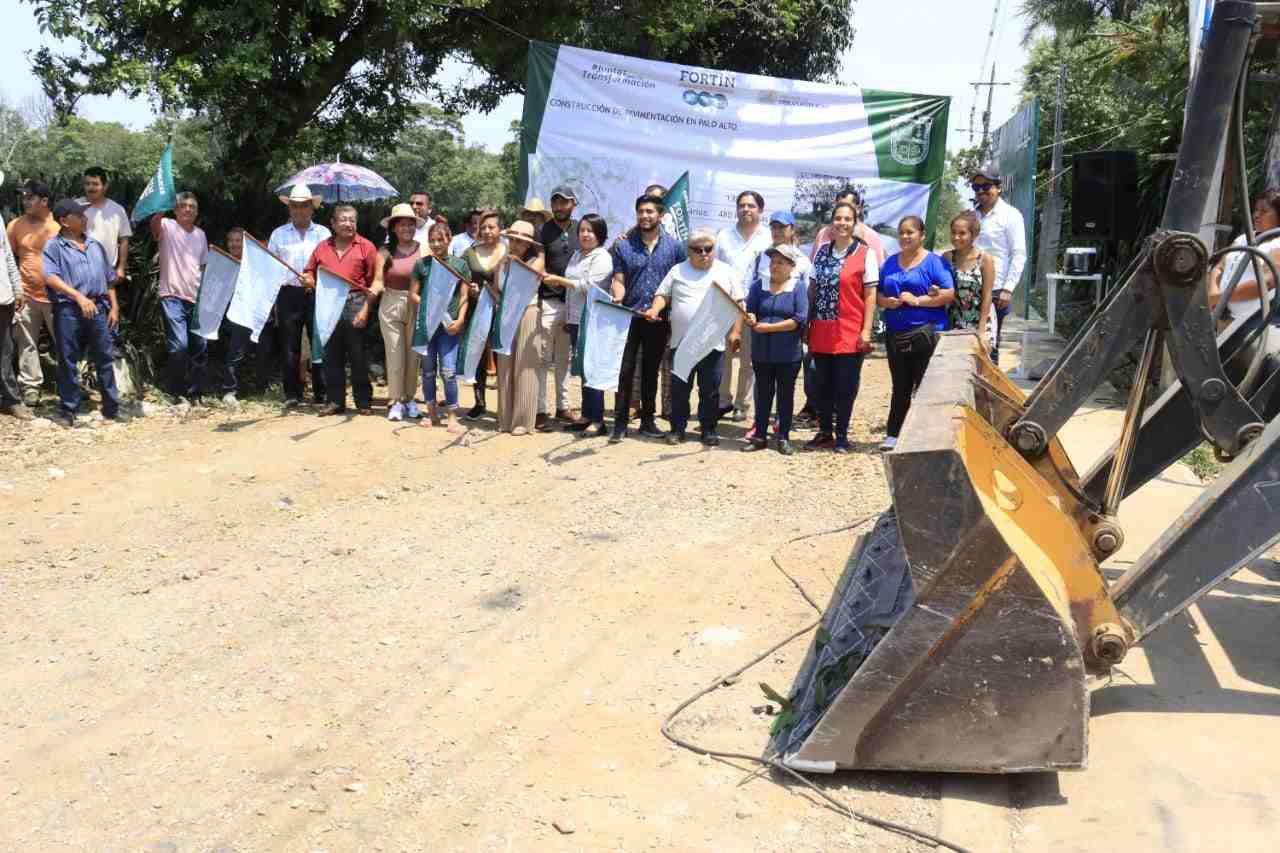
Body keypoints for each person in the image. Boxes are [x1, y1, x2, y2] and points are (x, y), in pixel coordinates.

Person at [646, 228, 742, 446]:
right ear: (688, 251)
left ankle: (708, 429)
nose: (703, 253)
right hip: (681, 343)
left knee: (710, 391)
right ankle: (677, 429)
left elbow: (738, 304)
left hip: (712, 344)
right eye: (698, 249)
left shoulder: (726, 272)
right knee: (679, 390)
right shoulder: (677, 270)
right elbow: (662, 294)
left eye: (708, 249)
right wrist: (655, 309)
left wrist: (736, 332)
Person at [609, 194, 688, 442]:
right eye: (641, 211)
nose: (645, 216)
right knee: (625, 370)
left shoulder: (675, 248)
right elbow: (618, 280)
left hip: (659, 319)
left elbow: (679, 284)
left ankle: (647, 420)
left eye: (650, 211)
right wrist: (617, 297)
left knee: (651, 370)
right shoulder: (623, 246)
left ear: (660, 215)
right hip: (629, 317)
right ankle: (620, 423)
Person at [40, 199, 123, 427]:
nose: (85, 218)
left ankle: (112, 408)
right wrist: (78, 296)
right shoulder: (54, 247)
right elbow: (50, 277)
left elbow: (109, 279)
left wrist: (114, 307)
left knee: (105, 357)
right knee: (68, 360)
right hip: (69, 310)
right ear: (65, 221)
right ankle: (69, 410)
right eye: (80, 214)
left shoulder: (95, 245)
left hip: (98, 308)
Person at [807, 201, 879, 454]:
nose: (842, 223)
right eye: (838, 218)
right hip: (822, 327)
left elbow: (870, 295)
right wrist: (807, 322)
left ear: (854, 222)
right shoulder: (822, 251)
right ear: (831, 222)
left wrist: (866, 330)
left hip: (849, 329)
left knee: (845, 385)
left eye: (847, 219)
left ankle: (841, 435)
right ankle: (824, 431)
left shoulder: (865, 253)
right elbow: (813, 290)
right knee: (821, 384)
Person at [878, 216, 955, 451]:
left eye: (910, 232)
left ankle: (927, 439)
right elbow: (878, 294)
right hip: (896, 335)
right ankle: (894, 434)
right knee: (900, 385)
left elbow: (948, 293)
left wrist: (917, 300)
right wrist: (887, 303)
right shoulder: (890, 263)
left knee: (925, 387)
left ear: (922, 235)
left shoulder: (934, 263)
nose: (905, 237)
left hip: (926, 334)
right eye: (901, 232)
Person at [540, 214, 616, 437]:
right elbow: (573, 286)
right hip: (574, 319)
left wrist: (559, 281)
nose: (584, 234)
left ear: (599, 234)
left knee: (593, 369)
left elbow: (589, 286)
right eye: (582, 230)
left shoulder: (601, 257)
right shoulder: (576, 254)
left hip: (592, 320)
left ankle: (598, 420)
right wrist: (568, 317)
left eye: (590, 230)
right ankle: (587, 415)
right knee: (583, 369)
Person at [302, 204, 380, 415]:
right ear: (333, 224)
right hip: (327, 305)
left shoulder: (366, 247)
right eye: (343, 219)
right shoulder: (322, 247)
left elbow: (374, 283)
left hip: (355, 302)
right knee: (331, 354)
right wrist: (307, 280)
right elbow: (310, 272)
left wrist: (366, 310)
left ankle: (363, 401)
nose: (348, 223)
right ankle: (335, 401)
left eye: (352, 220)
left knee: (359, 355)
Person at [266, 183, 331, 407]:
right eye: (295, 206)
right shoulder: (278, 234)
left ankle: (322, 393)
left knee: (319, 343)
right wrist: (273, 300)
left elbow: (331, 265)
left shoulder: (324, 233)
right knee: (289, 345)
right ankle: (292, 394)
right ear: (289, 208)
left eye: (304, 206)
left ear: (312, 208)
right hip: (288, 294)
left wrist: (314, 279)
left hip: (318, 293)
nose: (299, 210)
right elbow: (271, 269)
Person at [744, 244, 808, 455]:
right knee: (762, 394)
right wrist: (751, 318)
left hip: (788, 354)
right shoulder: (757, 286)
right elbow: (750, 310)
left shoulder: (797, 288)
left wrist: (770, 327)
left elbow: (799, 319)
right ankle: (760, 436)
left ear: (791, 266)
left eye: (781, 262)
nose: (775, 266)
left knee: (785, 396)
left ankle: (783, 437)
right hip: (762, 352)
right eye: (773, 261)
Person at [752, 210, 813, 434]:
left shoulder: (803, 264)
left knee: (786, 391)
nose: (775, 266)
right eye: (774, 226)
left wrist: (802, 332)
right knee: (762, 388)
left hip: (788, 344)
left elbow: (804, 307)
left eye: (782, 227)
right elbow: (752, 304)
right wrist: (751, 317)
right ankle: (759, 429)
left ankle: (782, 430)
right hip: (761, 343)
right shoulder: (760, 261)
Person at [715, 190, 771, 424]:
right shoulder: (724, 236)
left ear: (760, 210)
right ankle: (722, 401)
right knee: (723, 355)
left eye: (751, 205)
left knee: (748, 358)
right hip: (725, 302)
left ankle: (742, 404)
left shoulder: (767, 238)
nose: (746, 209)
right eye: (742, 205)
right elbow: (714, 267)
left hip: (753, 304)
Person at [149, 192, 210, 407]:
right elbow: (154, 226)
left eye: (192, 206)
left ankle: (196, 393)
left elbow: (202, 266)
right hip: (172, 296)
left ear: (196, 211)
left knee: (200, 347)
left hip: (196, 298)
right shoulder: (167, 225)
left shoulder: (201, 235)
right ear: (175, 210)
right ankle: (178, 391)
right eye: (183, 206)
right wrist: (161, 205)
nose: (187, 209)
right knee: (180, 346)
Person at [413, 220, 471, 433]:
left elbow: (465, 295)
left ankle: (453, 416)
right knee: (428, 371)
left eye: (440, 239)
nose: (436, 244)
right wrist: (428, 305)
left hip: (450, 326)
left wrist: (461, 319)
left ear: (449, 240)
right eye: (432, 240)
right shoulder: (422, 265)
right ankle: (432, 413)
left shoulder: (460, 265)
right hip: (428, 326)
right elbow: (413, 293)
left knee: (448, 370)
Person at [490, 220, 545, 435]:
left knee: (525, 365)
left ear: (529, 245)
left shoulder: (536, 260)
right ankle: (504, 418)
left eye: (521, 242)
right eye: (512, 240)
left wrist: (513, 261)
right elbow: (497, 290)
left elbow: (530, 278)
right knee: (504, 365)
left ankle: (522, 421)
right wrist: (489, 295)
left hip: (528, 313)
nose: (515, 244)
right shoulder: (502, 262)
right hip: (506, 314)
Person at [7, 180, 60, 406]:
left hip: (57, 296)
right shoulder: (15, 225)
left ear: (44, 201)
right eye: (24, 197)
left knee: (65, 340)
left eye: (30, 197)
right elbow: (7, 259)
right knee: (26, 342)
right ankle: (30, 387)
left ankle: (71, 383)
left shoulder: (60, 225)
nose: (25, 201)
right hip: (26, 295)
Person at [535, 184, 580, 431]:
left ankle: (564, 407)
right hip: (549, 301)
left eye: (564, 202)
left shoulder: (581, 230)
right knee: (542, 358)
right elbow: (539, 262)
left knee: (565, 359)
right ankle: (541, 410)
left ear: (574, 204)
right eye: (556, 202)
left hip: (572, 302)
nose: (560, 206)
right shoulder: (542, 231)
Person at [970, 168, 1026, 360]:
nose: (981, 191)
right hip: (969, 289)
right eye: (976, 187)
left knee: (989, 344)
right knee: (968, 343)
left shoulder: (1011, 215)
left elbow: (1019, 254)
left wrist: (1008, 288)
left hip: (996, 290)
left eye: (986, 186)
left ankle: (988, 388)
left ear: (999, 187)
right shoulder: (970, 216)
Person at [377, 203, 425, 421]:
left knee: (413, 355)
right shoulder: (385, 252)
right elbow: (378, 281)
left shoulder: (424, 250)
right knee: (395, 352)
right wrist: (372, 289)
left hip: (416, 302)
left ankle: (410, 398)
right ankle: (395, 400)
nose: (407, 228)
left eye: (410, 224)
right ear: (394, 227)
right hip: (391, 302)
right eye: (402, 224)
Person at [1208, 190, 1280, 325]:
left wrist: (1220, 298)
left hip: (1251, 326)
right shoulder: (1243, 238)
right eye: (1256, 210)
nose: (1256, 215)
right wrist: (1213, 292)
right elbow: (1219, 266)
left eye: (1264, 211)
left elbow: (1267, 282)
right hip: (1223, 318)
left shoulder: (1278, 244)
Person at [462, 210, 506, 419]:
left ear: (500, 230)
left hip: (501, 311)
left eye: (492, 227)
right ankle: (479, 402)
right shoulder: (469, 252)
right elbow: (460, 278)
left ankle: (504, 405)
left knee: (502, 355)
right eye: (483, 227)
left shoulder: (509, 252)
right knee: (477, 354)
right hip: (475, 310)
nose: (487, 231)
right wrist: (468, 289)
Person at [943, 211, 995, 349]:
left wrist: (981, 331)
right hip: (954, 323)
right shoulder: (947, 258)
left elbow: (987, 295)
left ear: (974, 234)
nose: (956, 237)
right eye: (953, 232)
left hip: (980, 323)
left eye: (962, 233)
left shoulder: (985, 260)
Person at [0, 210, 32, 419]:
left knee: (5, 349)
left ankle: (11, 400)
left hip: (3, 295)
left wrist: (17, 288)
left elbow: (7, 256)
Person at [80, 167, 133, 288]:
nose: (91, 188)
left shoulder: (117, 210)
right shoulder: (75, 206)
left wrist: (121, 268)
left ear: (105, 186)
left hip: (107, 271)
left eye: (95, 184)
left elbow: (124, 240)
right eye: (87, 184)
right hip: (78, 269)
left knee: (106, 306)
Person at [216, 227, 251, 409]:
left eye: (238, 240)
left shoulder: (252, 265)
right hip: (225, 313)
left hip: (246, 313)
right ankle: (229, 389)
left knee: (238, 352)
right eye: (231, 240)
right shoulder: (222, 262)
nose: (234, 244)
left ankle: (240, 388)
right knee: (232, 351)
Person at [809, 185, 886, 262]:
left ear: (858, 209)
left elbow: (879, 269)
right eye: (839, 206)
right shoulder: (823, 234)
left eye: (848, 206)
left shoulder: (872, 237)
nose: (843, 210)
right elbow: (813, 264)